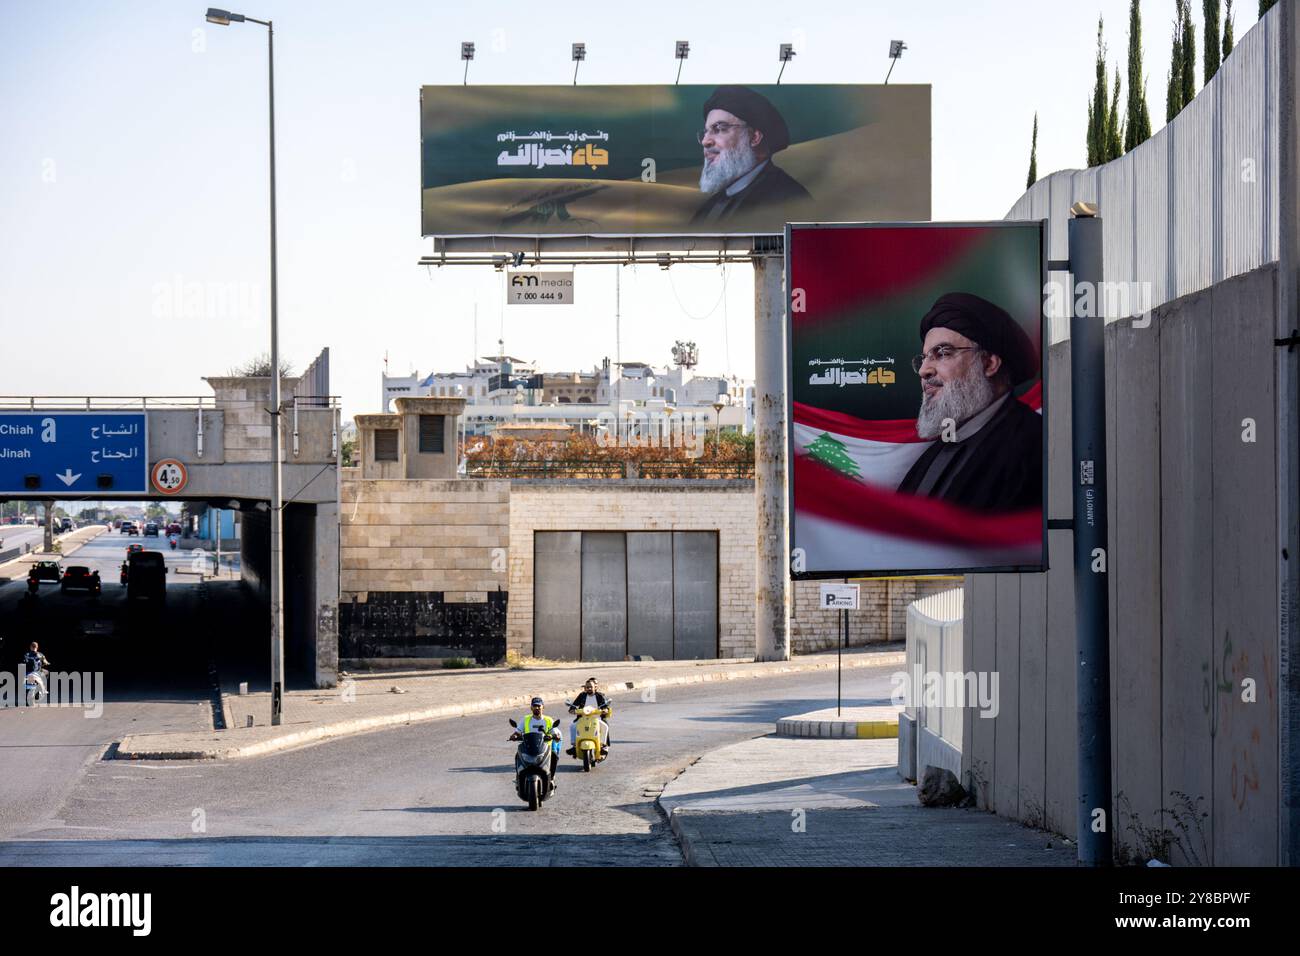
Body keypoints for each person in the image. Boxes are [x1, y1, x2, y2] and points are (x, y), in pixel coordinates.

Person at [897, 292, 1042, 512]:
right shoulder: (942, 446)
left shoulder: (1033, 443)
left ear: (989, 364)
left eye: (942, 353)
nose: (924, 370)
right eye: (924, 357)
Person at [690, 85, 811, 224]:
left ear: (754, 138)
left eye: (720, 129)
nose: (705, 141)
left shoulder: (790, 198)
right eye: (706, 132)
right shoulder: (710, 206)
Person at [510, 697, 560, 786]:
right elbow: (518, 731)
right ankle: (518, 777)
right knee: (518, 755)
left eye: (538, 706)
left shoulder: (548, 720)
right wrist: (514, 736)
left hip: (545, 748)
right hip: (528, 747)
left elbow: (555, 733)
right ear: (531, 708)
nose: (537, 708)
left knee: (554, 756)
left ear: (543, 707)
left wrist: (554, 736)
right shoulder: (526, 719)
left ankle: (551, 777)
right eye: (534, 706)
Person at [566, 677, 611, 755]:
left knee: (605, 726)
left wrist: (605, 710)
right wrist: (572, 710)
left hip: (597, 719)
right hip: (582, 719)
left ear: (595, 687)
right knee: (572, 726)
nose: (589, 688)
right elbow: (573, 706)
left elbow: (605, 707)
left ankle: (603, 746)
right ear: (585, 688)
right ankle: (574, 746)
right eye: (587, 687)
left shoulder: (600, 696)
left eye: (591, 687)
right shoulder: (582, 695)